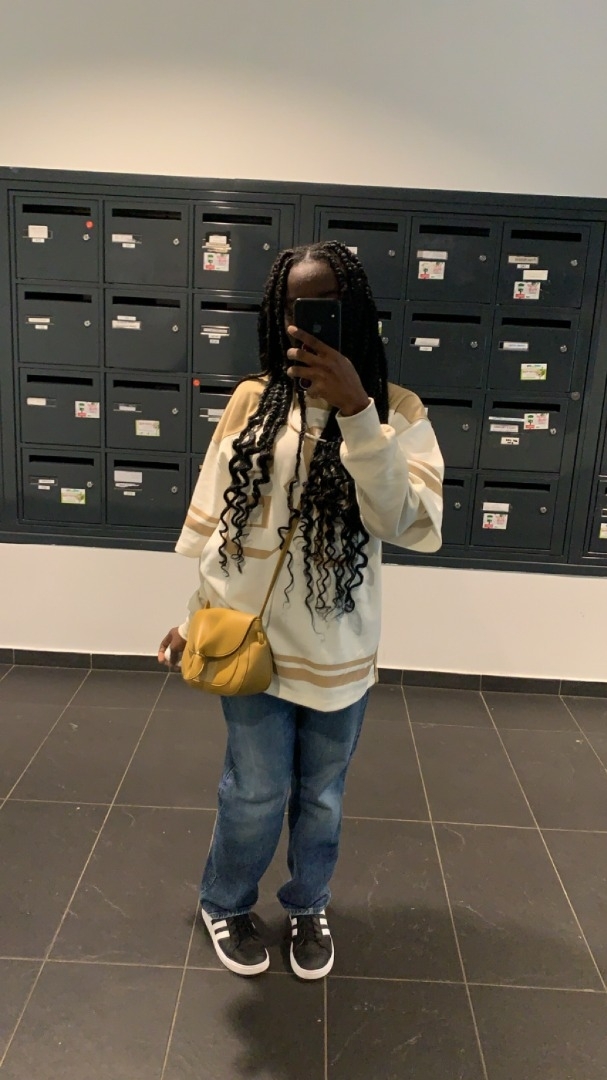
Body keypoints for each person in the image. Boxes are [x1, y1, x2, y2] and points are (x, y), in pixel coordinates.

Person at [158, 241, 443, 980]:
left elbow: (408, 523)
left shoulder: (398, 409)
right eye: (293, 307)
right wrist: (192, 617)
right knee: (254, 791)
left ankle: (307, 901)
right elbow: (217, 527)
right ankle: (225, 901)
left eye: (323, 306)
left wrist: (357, 412)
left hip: (337, 648)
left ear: (355, 312)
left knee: (320, 796)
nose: (304, 322)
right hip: (249, 640)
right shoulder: (252, 400)